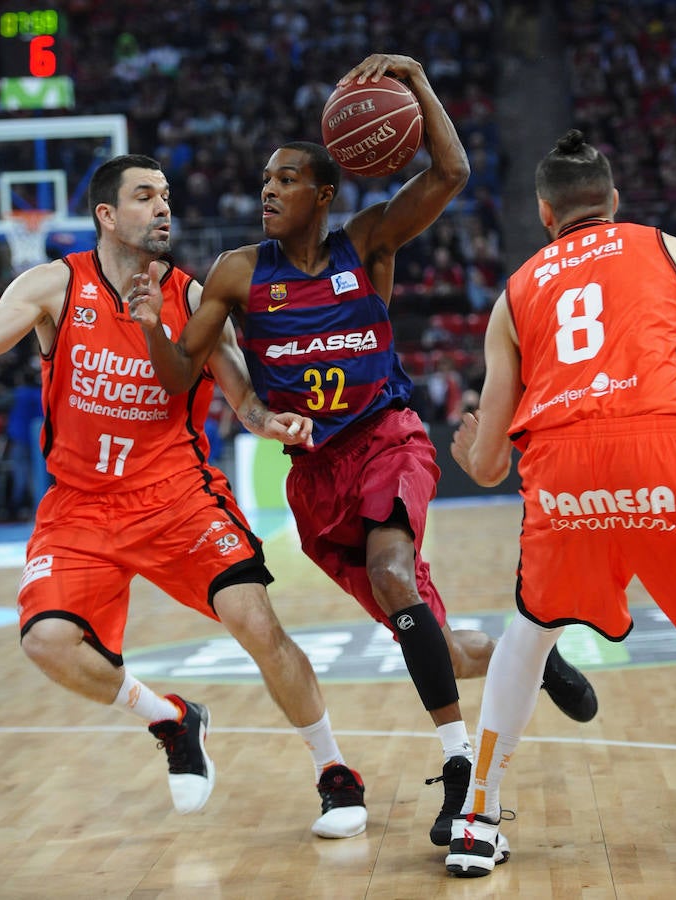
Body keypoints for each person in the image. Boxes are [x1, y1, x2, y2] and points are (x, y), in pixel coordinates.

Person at [129, 55, 598, 851]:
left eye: (285, 180)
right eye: (264, 181)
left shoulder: (368, 240)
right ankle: (527, 656)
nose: (268, 191)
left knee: (392, 573)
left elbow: (452, 169)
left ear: (324, 193)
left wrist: (414, 82)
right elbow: (181, 372)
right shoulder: (238, 273)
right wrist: (149, 323)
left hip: (388, 439)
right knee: (438, 644)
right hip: (315, 479)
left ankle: (460, 776)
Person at [0, 153, 368, 840]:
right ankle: (168, 716)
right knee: (47, 644)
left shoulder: (191, 297)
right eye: (143, 197)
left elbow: (244, 400)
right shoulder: (54, 285)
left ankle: (334, 769)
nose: (163, 207)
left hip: (175, 497)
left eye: (164, 195)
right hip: (80, 506)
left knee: (256, 623)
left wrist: (271, 420)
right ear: (106, 214)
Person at [445, 128, 676, 877]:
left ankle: (475, 821)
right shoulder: (671, 249)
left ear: (544, 214)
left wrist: (469, 448)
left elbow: (488, 463)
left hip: (563, 469)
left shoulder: (513, 293)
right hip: (657, 447)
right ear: (614, 201)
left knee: (531, 629)